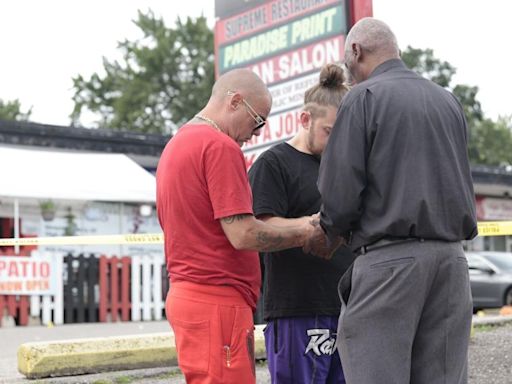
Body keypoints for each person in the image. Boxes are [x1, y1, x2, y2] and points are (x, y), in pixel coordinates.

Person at [310, 18, 478, 384]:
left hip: (390, 264)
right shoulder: (447, 100)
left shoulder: (363, 97)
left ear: (356, 51)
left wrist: (329, 232)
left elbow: (340, 195)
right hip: (451, 263)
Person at [156, 68, 318, 384]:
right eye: (257, 120)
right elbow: (243, 234)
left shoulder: (179, 143)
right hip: (218, 299)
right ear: (235, 101)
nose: (256, 133)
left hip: (189, 295)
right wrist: (308, 232)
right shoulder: (220, 146)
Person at [248, 64, 354, 384]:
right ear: (305, 119)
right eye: (330, 132)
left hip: (349, 307)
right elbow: (260, 227)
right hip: (298, 308)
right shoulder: (274, 164)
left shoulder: (346, 168)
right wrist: (317, 225)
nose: (338, 143)